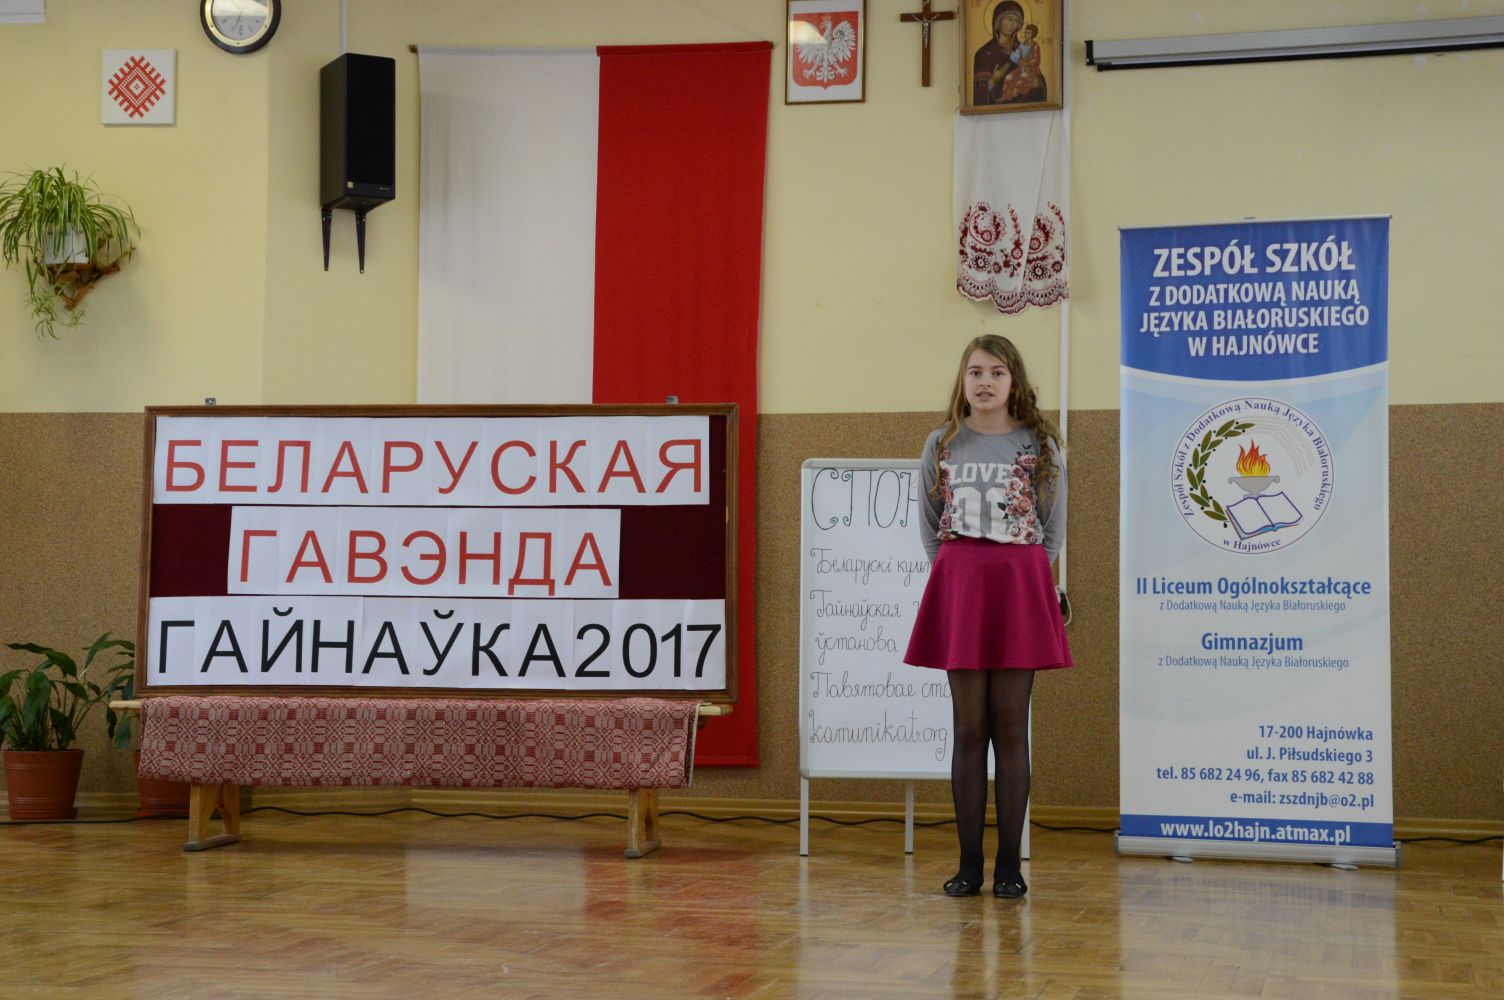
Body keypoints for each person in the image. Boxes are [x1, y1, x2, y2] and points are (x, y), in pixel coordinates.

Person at [904, 334, 1072, 899]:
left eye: (997, 372)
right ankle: (969, 864)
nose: (984, 382)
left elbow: (1052, 527)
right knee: (969, 729)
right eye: (975, 371)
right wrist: (957, 574)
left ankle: (1009, 866)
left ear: (1013, 380)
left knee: (1011, 727)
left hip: (1018, 585)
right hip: (962, 584)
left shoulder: (1039, 443)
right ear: (963, 379)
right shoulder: (942, 442)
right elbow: (930, 523)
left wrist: (1025, 575)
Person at [972, 2, 1024, 106]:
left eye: (1016, 21)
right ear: (998, 21)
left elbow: (1037, 82)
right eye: (1009, 19)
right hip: (996, 111)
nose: (1012, 24)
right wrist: (994, 80)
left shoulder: (1023, 50)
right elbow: (978, 96)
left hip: (1024, 108)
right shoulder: (984, 54)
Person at [999, 23, 1043, 104]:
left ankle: (1014, 97)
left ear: (1033, 34)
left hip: (1031, 70)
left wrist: (1026, 62)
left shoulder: (1035, 46)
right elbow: (1016, 58)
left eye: (1029, 33)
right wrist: (1011, 53)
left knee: (1020, 80)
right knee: (1008, 77)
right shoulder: (1021, 46)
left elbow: (1036, 59)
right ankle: (1005, 97)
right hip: (1020, 69)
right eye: (1026, 32)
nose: (1026, 34)